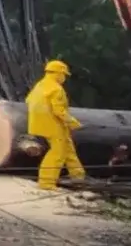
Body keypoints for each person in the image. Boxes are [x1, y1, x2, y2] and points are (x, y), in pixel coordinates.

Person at [26, 60, 84, 191]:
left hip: (40, 123)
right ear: (58, 74)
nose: (64, 78)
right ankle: (46, 183)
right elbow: (59, 111)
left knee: (67, 147)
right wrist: (73, 123)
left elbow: (28, 100)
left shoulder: (40, 85)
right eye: (64, 75)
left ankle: (78, 176)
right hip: (52, 124)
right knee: (58, 153)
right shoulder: (56, 89)